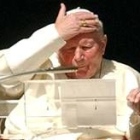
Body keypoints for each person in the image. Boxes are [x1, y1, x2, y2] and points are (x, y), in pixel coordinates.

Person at [0, 3, 140, 140]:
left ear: (103, 45)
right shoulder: (38, 65)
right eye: (70, 49)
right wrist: (55, 34)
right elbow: (3, 76)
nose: (78, 58)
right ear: (57, 47)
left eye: (86, 47)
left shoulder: (126, 76)